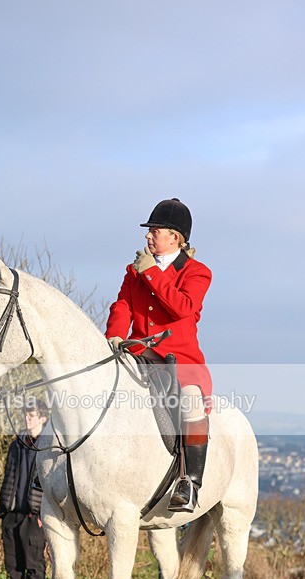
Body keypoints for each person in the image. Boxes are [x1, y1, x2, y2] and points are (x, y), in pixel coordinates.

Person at [105, 198, 212, 511]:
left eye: (155, 231)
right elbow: (122, 304)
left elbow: (181, 307)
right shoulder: (135, 270)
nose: (148, 236)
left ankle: (189, 484)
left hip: (179, 361)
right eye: (148, 231)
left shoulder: (197, 272)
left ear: (175, 238)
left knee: (191, 404)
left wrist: (151, 273)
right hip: (137, 352)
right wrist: (114, 334)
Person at [0, 398, 49, 579]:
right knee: (13, 564)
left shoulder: (49, 445)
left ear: (43, 418)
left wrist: (44, 513)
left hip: (34, 515)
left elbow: (50, 483)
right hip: (12, 513)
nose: (27, 418)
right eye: (26, 414)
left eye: (32, 415)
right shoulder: (16, 444)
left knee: (34, 565)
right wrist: (3, 509)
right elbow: (9, 476)